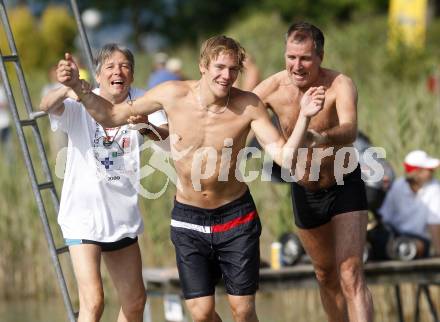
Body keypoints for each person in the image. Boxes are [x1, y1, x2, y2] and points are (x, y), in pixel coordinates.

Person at [57, 35, 325, 322]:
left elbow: (283, 156)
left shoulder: (249, 105)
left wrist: (305, 118)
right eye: (220, 67)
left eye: (233, 70)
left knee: (243, 311)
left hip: (235, 216)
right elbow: (110, 116)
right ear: (203, 66)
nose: (226, 76)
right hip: (188, 218)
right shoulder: (172, 94)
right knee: (200, 314)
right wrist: (78, 88)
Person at [253, 22, 373, 322]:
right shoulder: (272, 89)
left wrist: (322, 138)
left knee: (350, 273)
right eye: (291, 57)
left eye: (305, 58)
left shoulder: (339, 84)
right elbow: (236, 110)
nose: (297, 65)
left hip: (344, 182)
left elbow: (350, 129)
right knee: (325, 274)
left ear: (319, 56)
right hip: (304, 188)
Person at [39, 43, 168, 322]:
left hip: (122, 215)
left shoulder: (143, 100)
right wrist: (69, 85)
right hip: (83, 215)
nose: (117, 72)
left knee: (135, 302)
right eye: (110, 66)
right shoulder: (83, 99)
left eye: (124, 66)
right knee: (94, 301)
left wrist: (147, 126)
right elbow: (46, 105)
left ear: (132, 75)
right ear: (98, 76)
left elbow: (168, 140)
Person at [379, 150, 440, 257]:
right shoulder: (398, 187)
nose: (433, 172)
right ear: (418, 172)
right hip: (395, 234)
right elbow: (385, 217)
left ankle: (398, 250)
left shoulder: (434, 188)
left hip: (419, 239)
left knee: (417, 246)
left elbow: (434, 223)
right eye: (429, 170)